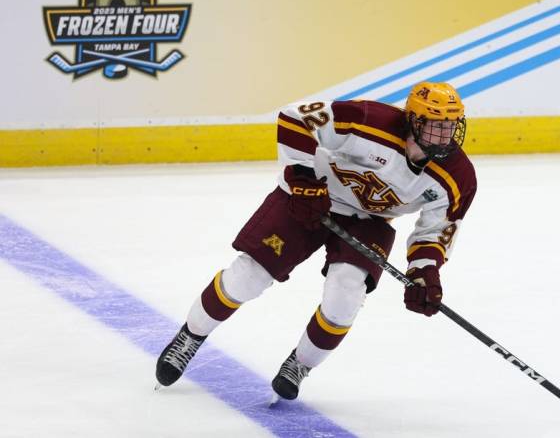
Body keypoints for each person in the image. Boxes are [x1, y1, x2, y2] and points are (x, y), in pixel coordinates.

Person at [155, 81, 477, 401]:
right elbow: (295, 117)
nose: (444, 135)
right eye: (435, 126)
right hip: (310, 197)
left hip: (369, 221)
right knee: (249, 277)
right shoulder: (367, 118)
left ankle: (300, 365)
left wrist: (424, 273)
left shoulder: (459, 178)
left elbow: (434, 231)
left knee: (346, 297)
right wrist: (305, 179)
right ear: (413, 121)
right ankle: (190, 336)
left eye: (450, 126)